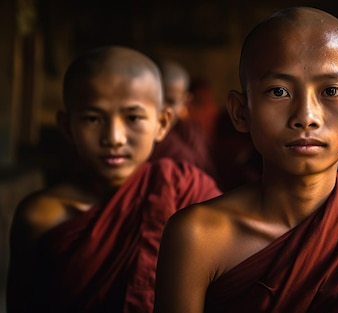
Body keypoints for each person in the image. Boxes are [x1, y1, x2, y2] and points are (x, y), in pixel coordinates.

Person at [153, 6, 338, 313]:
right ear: (240, 111)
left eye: (331, 90)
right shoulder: (198, 236)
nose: (306, 117)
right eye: (278, 91)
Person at [7, 46, 223, 313]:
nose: (114, 137)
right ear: (67, 126)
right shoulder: (40, 215)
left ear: (163, 123)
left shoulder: (187, 191)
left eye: (133, 117)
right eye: (93, 119)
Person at [149, 59, 216, 177]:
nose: (163, 108)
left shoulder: (193, 134)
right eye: (157, 99)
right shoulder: (139, 133)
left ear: (185, 102)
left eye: (170, 102)